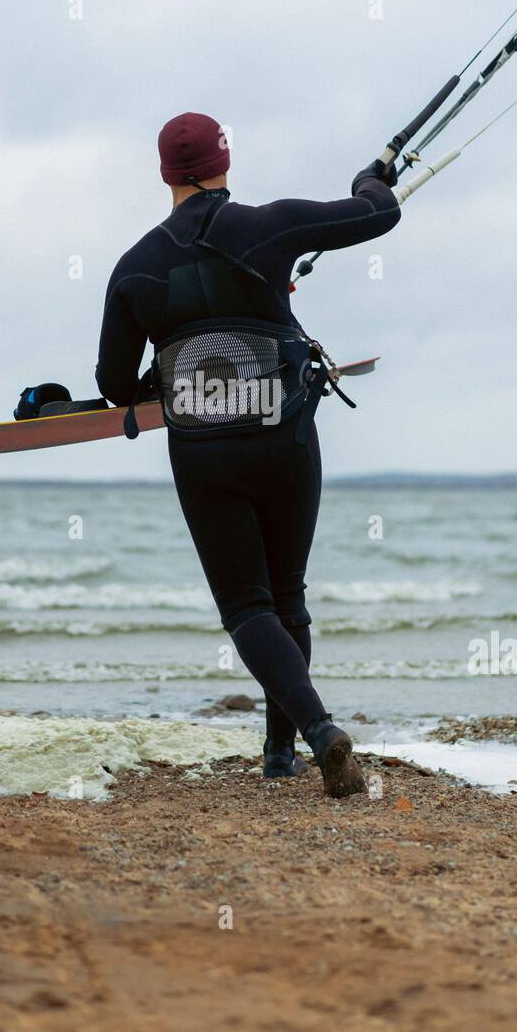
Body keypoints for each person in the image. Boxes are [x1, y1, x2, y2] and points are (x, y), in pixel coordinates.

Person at [95, 112, 400, 797]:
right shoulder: (273, 226)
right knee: (288, 596)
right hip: (285, 435)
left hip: (204, 453)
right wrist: (372, 178)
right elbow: (378, 215)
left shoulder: (134, 269)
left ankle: (318, 735)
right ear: (224, 162)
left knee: (246, 606)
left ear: (165, 174)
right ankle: (280, 754)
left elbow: (114, 385)